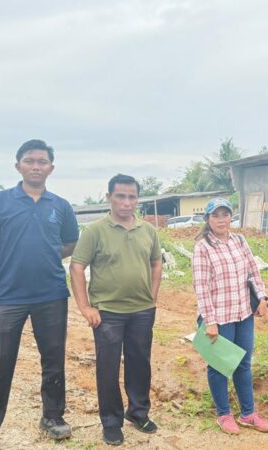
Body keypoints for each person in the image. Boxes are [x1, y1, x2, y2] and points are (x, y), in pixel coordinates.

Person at [0, 139, 79, 450]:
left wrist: (45, 253)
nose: (36, 166)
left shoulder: (60, 206)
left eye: (42, 161)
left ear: (51, 168)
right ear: (17, 165)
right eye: (29, 160)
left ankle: (53, 417)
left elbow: (71, 243)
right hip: (6, 297)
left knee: (54, 360)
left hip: (51, 295)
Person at [70, 174, 163, 446]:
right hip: (107, 313)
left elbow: (156, 263)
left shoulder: (148, 231)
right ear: (109, 197)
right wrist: (84, 306)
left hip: (142, 311)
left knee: (140, 363)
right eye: (120, 196)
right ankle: (111, 422)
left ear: (138, 199)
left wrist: (152, 295)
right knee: (108, 368)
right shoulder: (95, 231)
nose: (126, 202)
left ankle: (138, 413)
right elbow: (77, 267)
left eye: (132, 197)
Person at [192, 197, 268, 435]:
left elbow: (253, 270)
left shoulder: (239, 240)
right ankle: (224, 414)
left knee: (243, 364)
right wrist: (210, 321)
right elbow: (202, 287)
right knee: (219, 366)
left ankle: (248, 414)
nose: (221, 219)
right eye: (215, 215)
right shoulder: (203, 248)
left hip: (242, 313)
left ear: (231, 217)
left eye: (225, 214)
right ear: (208, 219)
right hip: (219, 316)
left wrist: (262, 297)